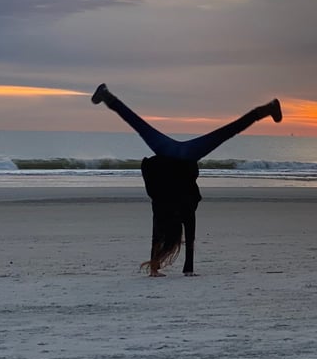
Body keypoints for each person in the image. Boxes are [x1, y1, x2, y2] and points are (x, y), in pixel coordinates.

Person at [91, 83, 282, 275]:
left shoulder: (165, 208)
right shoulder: (169, 205)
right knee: (140, 125)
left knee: (225, 132)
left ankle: (107, 97)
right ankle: (107, 97)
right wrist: (184, 269)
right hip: (175, 151)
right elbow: (178, 235)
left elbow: (168, 235)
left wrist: (158, 269)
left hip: (179, 152)